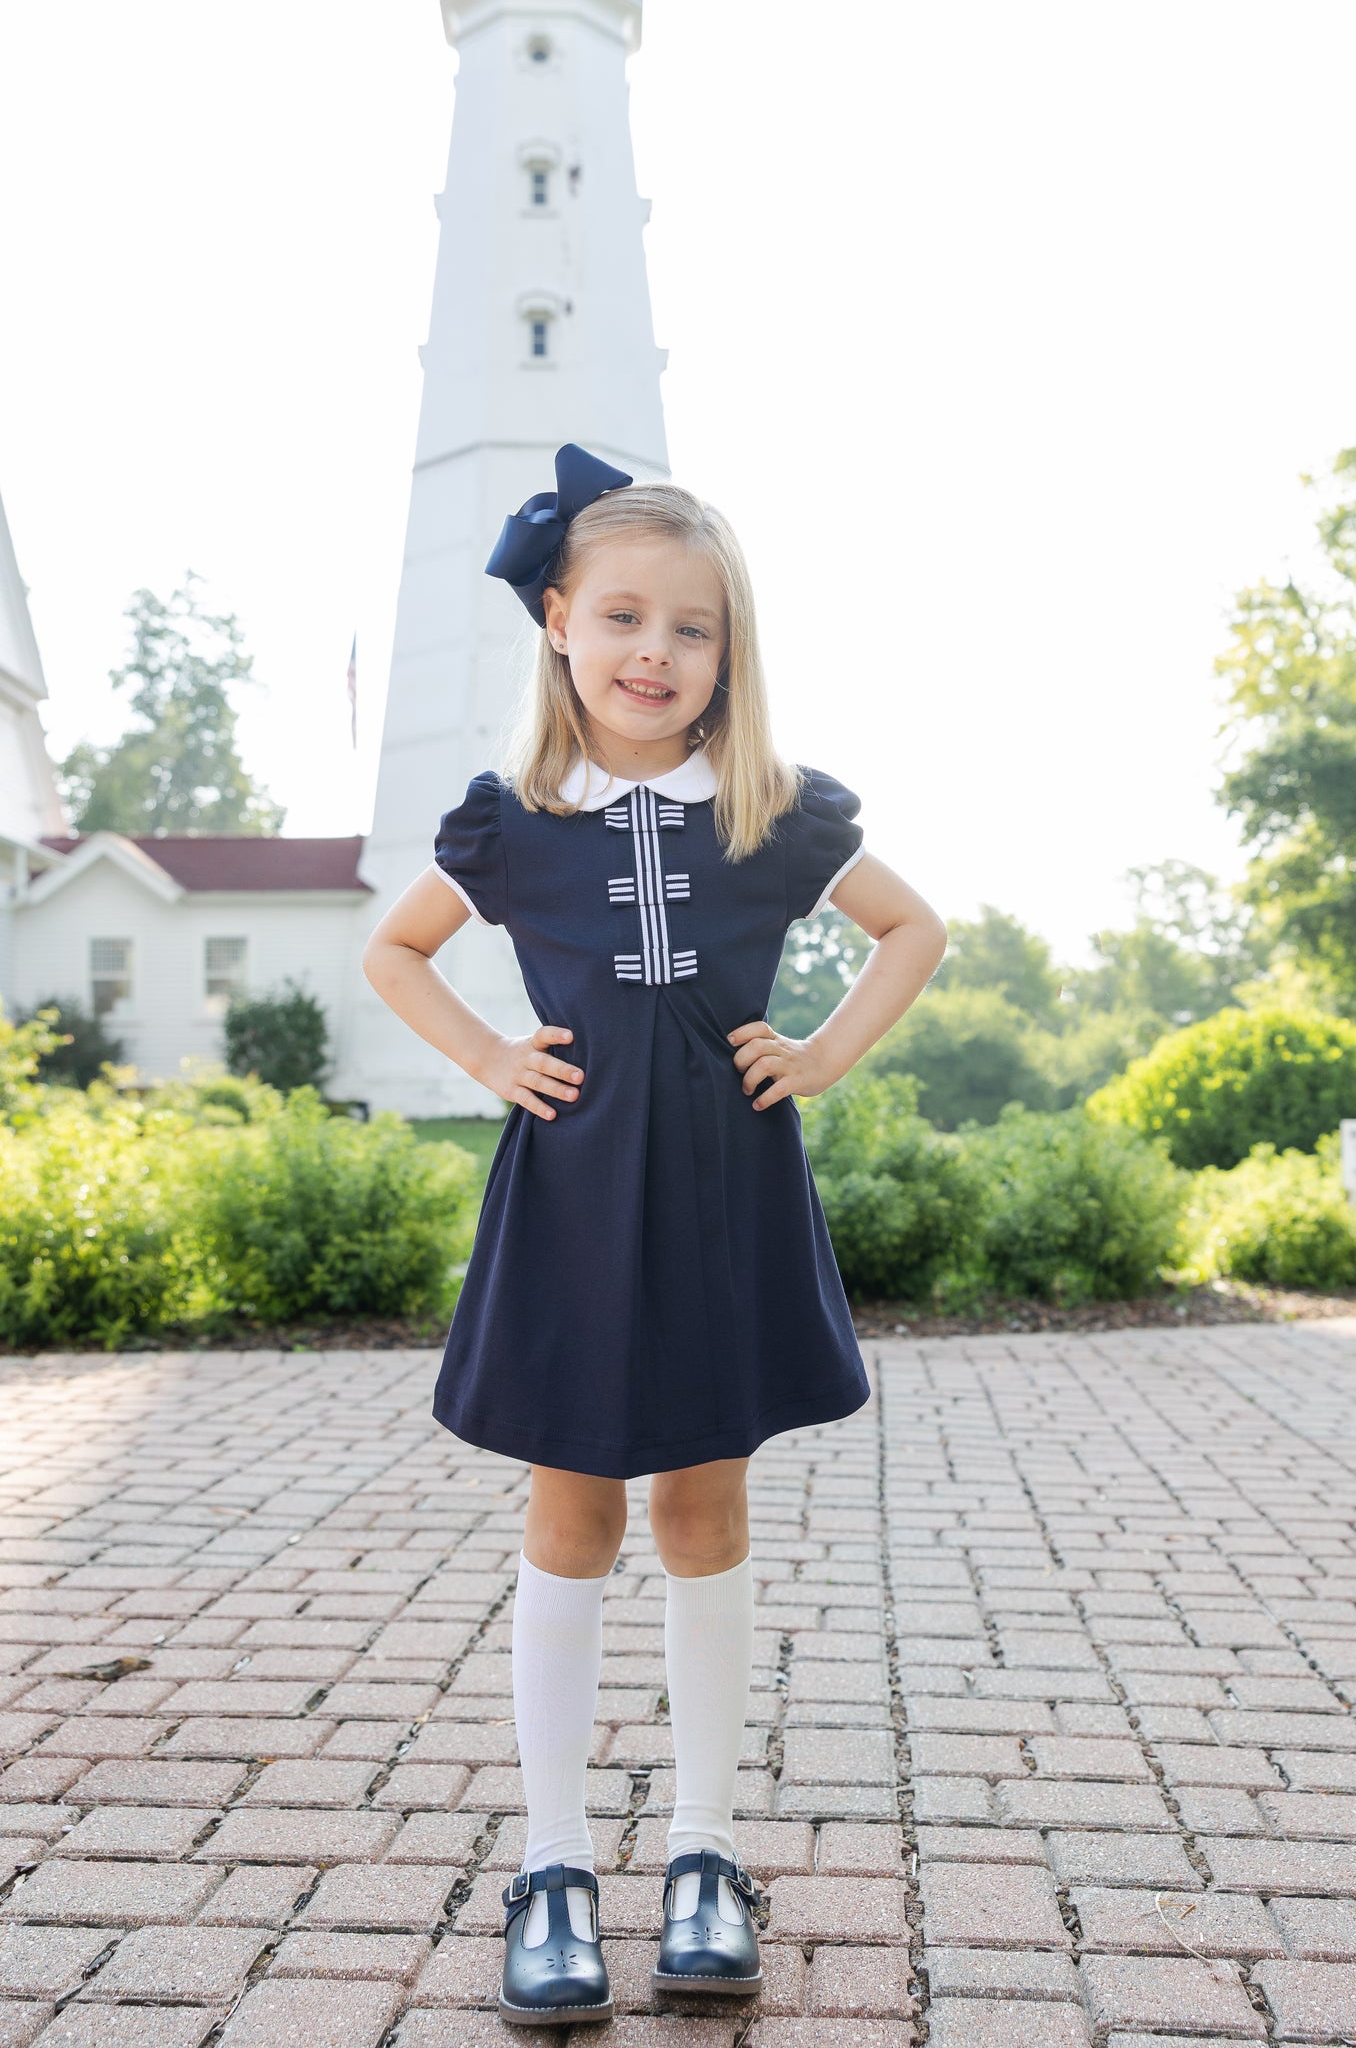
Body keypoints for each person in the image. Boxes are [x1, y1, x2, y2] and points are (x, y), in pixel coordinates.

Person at [363, 444, 947, 2026]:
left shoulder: (767, 815)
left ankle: (705, 1852)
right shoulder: (513, 822)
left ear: (725, 654)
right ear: (557, 620)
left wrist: (818, 1052)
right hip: (572, 1196)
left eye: (690, 630)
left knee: (700, 1508)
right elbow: (396, 953)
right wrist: (490, 1060)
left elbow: (913, 928)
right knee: (574, 1516)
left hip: (722, 1196)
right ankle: (553, 1863)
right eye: (621, 615)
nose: (653, 652)